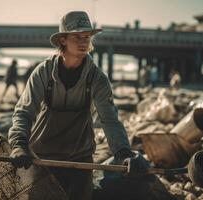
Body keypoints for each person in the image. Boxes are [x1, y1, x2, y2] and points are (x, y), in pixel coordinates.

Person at [8, 11, 149, 200]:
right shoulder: (44, 72)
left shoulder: (97, 79)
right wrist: (19, 145)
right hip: (42, 159)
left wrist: (123, 152)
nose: (83, 41)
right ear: (63, 40)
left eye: (87, 36)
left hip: (80, 160)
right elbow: (24, 112)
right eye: (77, 36)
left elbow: (110, 120)